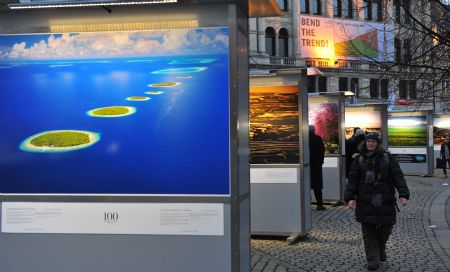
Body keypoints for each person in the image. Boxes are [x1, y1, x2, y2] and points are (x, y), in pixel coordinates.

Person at [344, 133, 410, 271]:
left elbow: (398, 177)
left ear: (378, 143)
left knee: (385, 229)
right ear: (365, 143)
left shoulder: (387, 158)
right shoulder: (359, 160)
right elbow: (352, 180)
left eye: (373, 141)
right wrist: (350, 198)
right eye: (368, 141)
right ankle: (373, 260)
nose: (370, 144)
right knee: (368, 232)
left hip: (385, 200)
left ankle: (380, 249)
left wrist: (403, 194)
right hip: (365, 201)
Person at [309, 125, 326, 211]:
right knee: (317, 185)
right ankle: (319, 204)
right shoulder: (318, 138)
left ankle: (306, 203)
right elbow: (322, 150)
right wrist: (321, 161)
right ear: (314, 130)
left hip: (307, 165)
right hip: (316, 165)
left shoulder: (304, 139)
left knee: (306, 185)